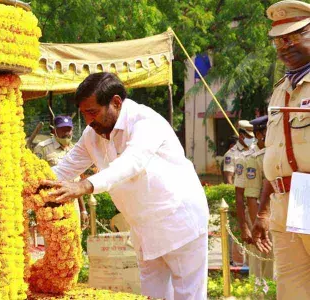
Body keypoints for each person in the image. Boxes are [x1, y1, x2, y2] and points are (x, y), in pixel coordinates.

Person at [41, 72, 209, 299]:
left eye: (93, 112)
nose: (89, 121)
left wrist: (84, 185)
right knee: (153, 296)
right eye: (84, 114)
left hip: (180, 223)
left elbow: (131, 163)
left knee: (188, 296)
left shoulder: (145, 121)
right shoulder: (93, 134)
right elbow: (63, 169)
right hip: (144, 232)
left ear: (116, 102)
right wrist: (30, 185)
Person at [251, 1, 310, 298]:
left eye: (293, 37)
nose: (284, 46)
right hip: (286, 199)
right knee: (291, 290)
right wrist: (262, 210)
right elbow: (274, 155)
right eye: (279, 40)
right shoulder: (281, 89)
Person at [234, 116, 274, 279]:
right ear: (259, 135)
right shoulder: (251, 158)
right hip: (260, 217)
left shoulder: (274, 153)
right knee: (260, 270)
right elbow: (247, 196)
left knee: (276, 268)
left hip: (278, 217)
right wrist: (248, 226)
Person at [33, 115, 89, 227]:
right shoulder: (42, 148)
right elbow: (36, 179)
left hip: (72, 204)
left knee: (74, 238)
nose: (66, 133)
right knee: (54, 241)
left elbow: (77, 182)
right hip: (52, 204)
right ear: (54, 131)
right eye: (62, 129)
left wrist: (83, 210)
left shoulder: (75, 149)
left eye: (69, 129)